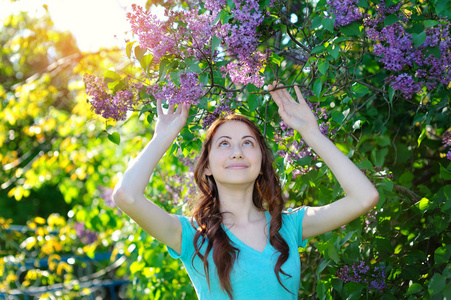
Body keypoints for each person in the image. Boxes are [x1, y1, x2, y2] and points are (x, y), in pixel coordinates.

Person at [112, 83, 379, 299]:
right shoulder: (191, 236)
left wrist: (311, 132)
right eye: (224, 144)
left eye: (248, 143)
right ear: (206, 167)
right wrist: (163, 137)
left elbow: (365, 197)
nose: (237, 152)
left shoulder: (289, 226)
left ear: (262, 164)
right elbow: (127, 196)